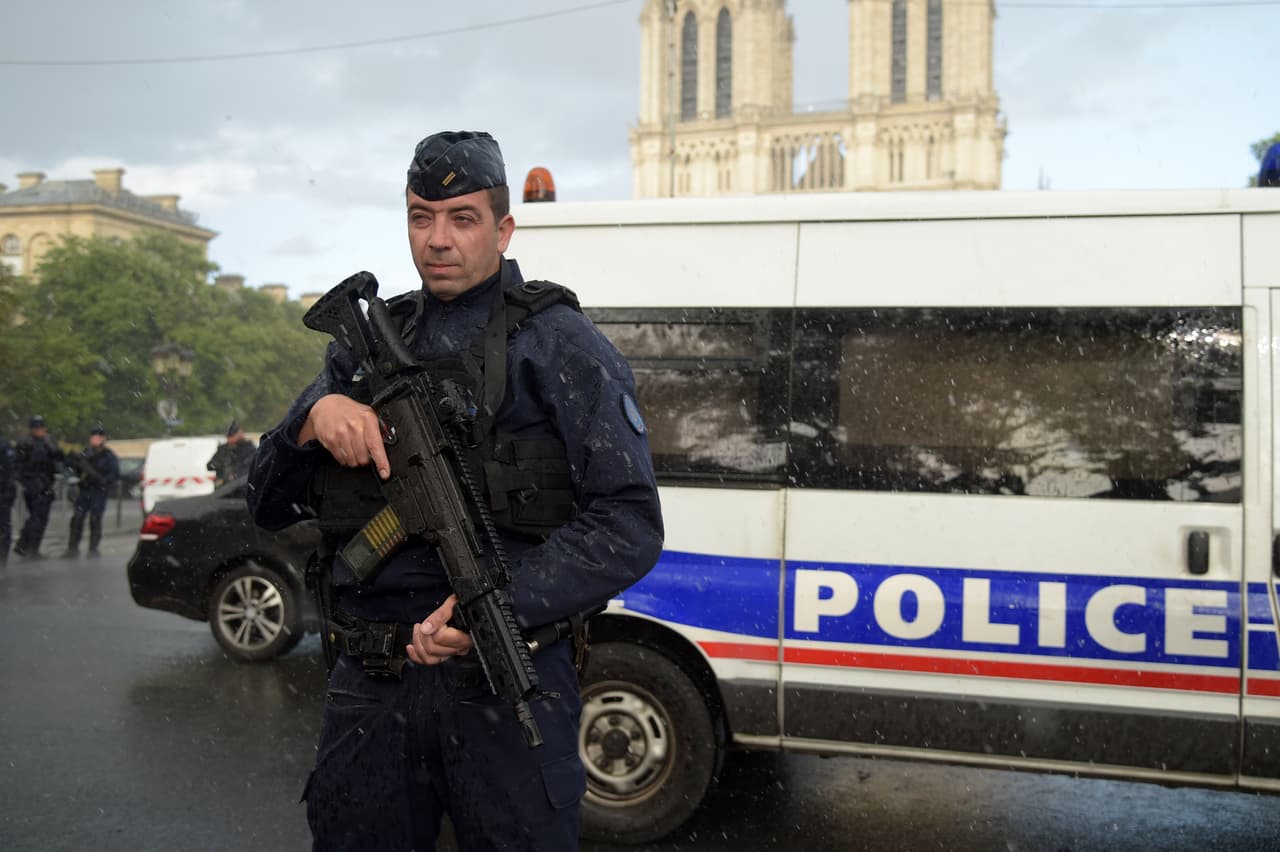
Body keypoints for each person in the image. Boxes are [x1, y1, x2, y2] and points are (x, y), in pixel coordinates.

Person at [247, 130, 664, 851]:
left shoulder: (557, 342)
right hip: (372, 691)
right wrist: (311, 423)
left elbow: (628, 521)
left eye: (462, 218)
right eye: (420, 217)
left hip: (506, 686)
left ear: (503, 227)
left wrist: (494, 612)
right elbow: (266, 501)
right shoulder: (364, 346)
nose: (438, 240)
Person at [62, 425, 119, 558]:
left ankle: (93, 549)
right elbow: (74, 469)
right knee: (77, 518)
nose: (96, 439)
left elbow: (114, 474)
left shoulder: (108, 456)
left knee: (95, 519)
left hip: (99, 490)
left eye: (99, 437)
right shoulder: (85, 453)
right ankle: (73, 548)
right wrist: (74, 463)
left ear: (103, 439)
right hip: (85, 490)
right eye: (94, 437)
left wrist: (102, 480)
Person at [13, 415, 64, 559]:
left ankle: (24, 545)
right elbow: (21, 465)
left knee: (36, 518)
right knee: (38, 518)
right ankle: (30, 549)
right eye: (38, 428)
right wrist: (28, 481)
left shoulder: (44, 442)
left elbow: (58, 457)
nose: (41, 431)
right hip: (36, 485)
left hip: (43, 484)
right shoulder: (30, 444)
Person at [206, 420, 256, 485]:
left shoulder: (249, 449)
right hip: (223, 489)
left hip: (241, 488)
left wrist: (234, 475)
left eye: (232, 436)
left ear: (240, 433)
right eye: (228, 436)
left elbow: (250, 469)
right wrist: (222, 466)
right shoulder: (223, 449)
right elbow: (210, 466)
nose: (230, 439)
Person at [0, 433, 15, 566]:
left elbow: (10, 470)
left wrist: (8, 491)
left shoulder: (4, 445)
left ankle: (3, 557)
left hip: (3, 492)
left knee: (4, 526)